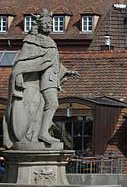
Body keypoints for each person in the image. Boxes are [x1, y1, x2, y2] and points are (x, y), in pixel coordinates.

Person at [3, 10, 79, 148]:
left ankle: (41, 132)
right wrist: (19, 74)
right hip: (44, 82)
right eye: (46, 23)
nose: (49, 26)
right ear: (39, 24)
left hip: (51, 79)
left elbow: (52, 61)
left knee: (46, 106)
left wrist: (65, 71)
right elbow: (22, 62)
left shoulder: (50, 41)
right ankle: (43, 133)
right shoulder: (32, 41)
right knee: (53, 104)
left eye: (51, 23)